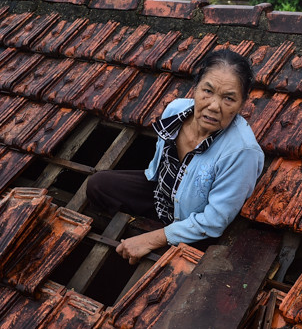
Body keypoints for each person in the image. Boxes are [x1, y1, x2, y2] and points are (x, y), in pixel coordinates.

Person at [86, 49, 264, 264]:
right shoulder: (176, 110)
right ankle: (144, 229)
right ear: (196, 88)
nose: (214, 106)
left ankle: (165, 237)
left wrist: (154, 239)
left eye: (229, 98)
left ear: (242, 103)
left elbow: (214, 221)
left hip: (195, 221)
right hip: (162, 195)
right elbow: (156, 169)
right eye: (207, 91)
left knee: (174, 269)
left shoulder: (242, 152)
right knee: (99, 184)